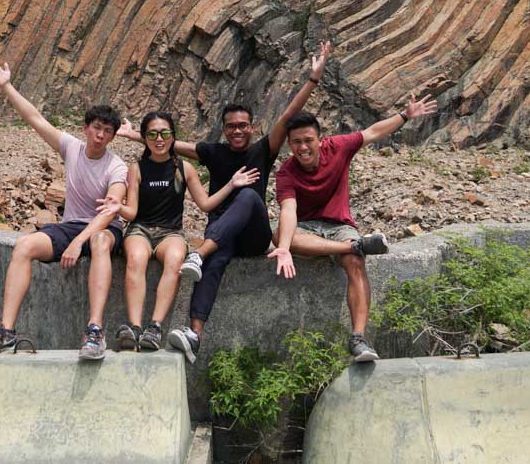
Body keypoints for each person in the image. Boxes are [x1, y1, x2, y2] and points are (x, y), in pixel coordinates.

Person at [117, 43, 331, 363]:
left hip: (254, 233)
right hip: (223, 234)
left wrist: (312, 80)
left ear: (252, 127)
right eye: (231, 126)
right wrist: (136, 136)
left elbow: (288, 118)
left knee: (245, 195)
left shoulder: (263, 149)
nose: (237, 131)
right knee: (215, 264)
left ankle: (199, 254)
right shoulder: (213, 152)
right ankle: (194, 334)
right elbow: (170, 145)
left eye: (243, 125)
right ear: (224, 129)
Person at [0, 55, 127, 361]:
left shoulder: (117, 167)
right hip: (71, 226)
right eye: (96, 128)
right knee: (25, 245)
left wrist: (78, 241)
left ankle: (94, 331)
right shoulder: (71, 147)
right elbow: (35, 118)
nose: (100, 135)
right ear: (85, 128)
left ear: (112, 136)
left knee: (98, 240)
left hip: (103, 229)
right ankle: (5, 330)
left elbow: (110, 211)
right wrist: (7, 86)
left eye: (107, 131)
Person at [270, 93, 438, 362]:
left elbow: (372, 132)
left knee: (355, 262)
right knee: (281, 236)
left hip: (339, 225)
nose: (303, 147)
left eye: (308, 141)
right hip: (306, 228)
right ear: (289, 144)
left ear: (320, 140)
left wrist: (405, 115)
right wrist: (285, 248)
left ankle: (358, 338)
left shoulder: (338, 147)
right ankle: (356, 245)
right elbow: (288, 210)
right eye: (297, 142)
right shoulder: (286, 173)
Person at [98, 111, 259, 352]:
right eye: (152, 134)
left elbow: (205, 204)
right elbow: (131, 212)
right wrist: (118, 207)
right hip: (140, 229)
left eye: (165, 133)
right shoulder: (137, 168)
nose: (159, 139)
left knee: (175, 260)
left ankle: (155, 327)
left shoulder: (185, 168)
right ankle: (134, 327)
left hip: (171, 232)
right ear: (145, 137)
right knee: (136, 258)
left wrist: (231, 184)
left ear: (173, 137)